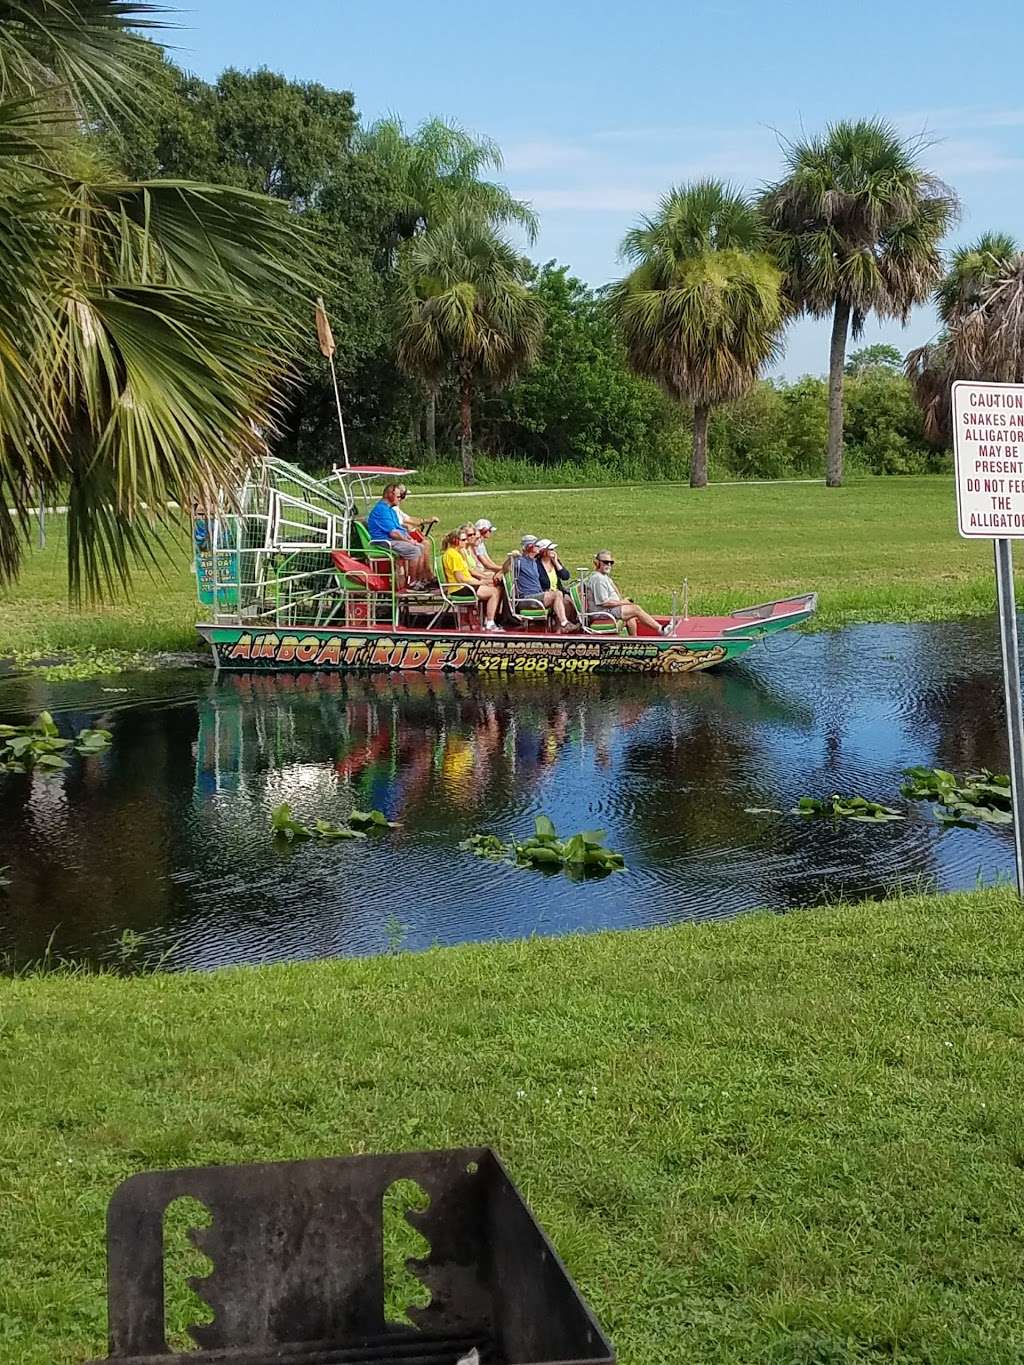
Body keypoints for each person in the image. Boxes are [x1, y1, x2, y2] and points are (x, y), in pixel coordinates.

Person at [584, 550, 673, 635]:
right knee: (635, 609)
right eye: (606, 562)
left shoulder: (603, 576)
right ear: (598, 563)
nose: (609, 565)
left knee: (631, 614)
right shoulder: (598, 579)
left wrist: (623, 602)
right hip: (603, 613)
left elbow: (614, 591)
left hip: (609, 609)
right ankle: (661, 630)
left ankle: (634, 640)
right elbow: (604, 602)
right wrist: (623, 602)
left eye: (611, 562)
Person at [366, 483, 433, 589]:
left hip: (392, 539)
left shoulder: (390, 510)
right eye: (398, 496)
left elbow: (399, 529)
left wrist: (409, 538)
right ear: (390, 495)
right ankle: (412, 582)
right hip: (384, 541)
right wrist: (409, 541)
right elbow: (393, 533)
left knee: (420, 546)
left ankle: (420, 580)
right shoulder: (382, 510)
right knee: (414, 550)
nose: (400, 499)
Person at [441, 529, 503, 631]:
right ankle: (490, 623)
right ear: (456, 541)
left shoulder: (456, 553)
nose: (466, 542)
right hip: (459, 588)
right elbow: (461, 579)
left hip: (464, 585)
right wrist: (480, 582)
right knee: (494, 592)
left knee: (493, 587)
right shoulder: (453, 555)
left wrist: (484, 580)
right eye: (464, 539)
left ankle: (487, 620)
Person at [513, 535, 573, 631]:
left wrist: (555, 561)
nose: (553, 551)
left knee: (566, 599)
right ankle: (564, 624)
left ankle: (561, 627)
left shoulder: (533, 562)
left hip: (539, 595)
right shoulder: (522, 561)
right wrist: (508, 561)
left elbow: (565, 576)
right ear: (530, 547)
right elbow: (506, 569)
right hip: (528, 599)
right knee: (558, 595)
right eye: (551, 549)